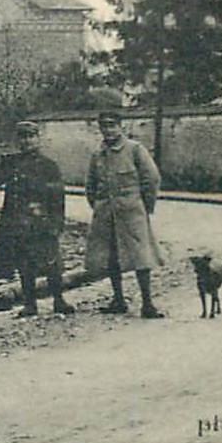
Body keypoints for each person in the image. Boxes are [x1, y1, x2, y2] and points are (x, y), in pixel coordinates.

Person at [0, 120, 72, 317]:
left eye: (30, 136)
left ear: (38, 138)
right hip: (17, 222)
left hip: (41, 222)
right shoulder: (10, 163)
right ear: (18, 140)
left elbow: (57, 198)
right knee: (24, 264)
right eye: (22, 137)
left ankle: (59, 301)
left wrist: (56, 224)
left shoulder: (49, 166)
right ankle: (30, 304)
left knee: (51, 262)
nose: (26, 141)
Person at [85, 113, 164, 318]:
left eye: (112, 126)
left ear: (121, 127)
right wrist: (98, 205)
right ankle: (118, 299)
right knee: (111, 258)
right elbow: (90, 185)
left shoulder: (135, 149)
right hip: (106, 214)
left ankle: (148, 303)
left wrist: (143, 205)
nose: (108, 130)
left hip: (131, 212)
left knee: (141, 257)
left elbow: (152, 179)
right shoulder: (98, 154)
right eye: (104, 127)